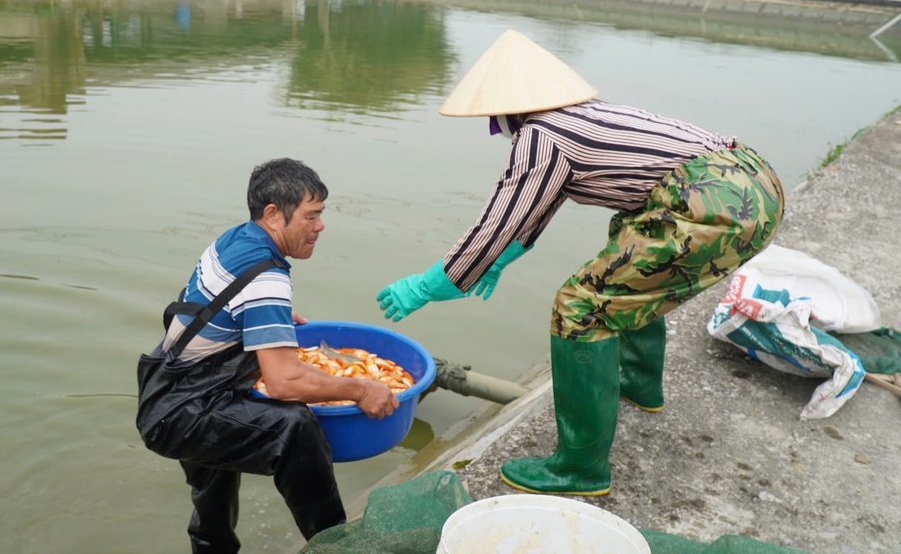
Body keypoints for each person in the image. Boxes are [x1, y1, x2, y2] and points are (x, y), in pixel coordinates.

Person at [375, 30, 784, 496]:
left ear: (506, 109)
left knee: (580, 307)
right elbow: (536, 207)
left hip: (720, 204)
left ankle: (580, 468)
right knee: (629, 257)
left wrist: (431, 284)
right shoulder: (583, 117)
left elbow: (496, 222)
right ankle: (638, 382)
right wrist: (499, 260)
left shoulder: (541, 136)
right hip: (750, 179)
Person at [137, 158, 399, 552]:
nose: (320, 226)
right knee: (295, 429)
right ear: (273, 214)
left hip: (166, 393)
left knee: (216, 477)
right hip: (184, 412)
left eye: (321, 215)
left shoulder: (235, 240)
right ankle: (338, 548)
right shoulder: (267, 277)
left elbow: (208, 305)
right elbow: (282, 381)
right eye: (312, 216)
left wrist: (265, 317)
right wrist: (361, 390)